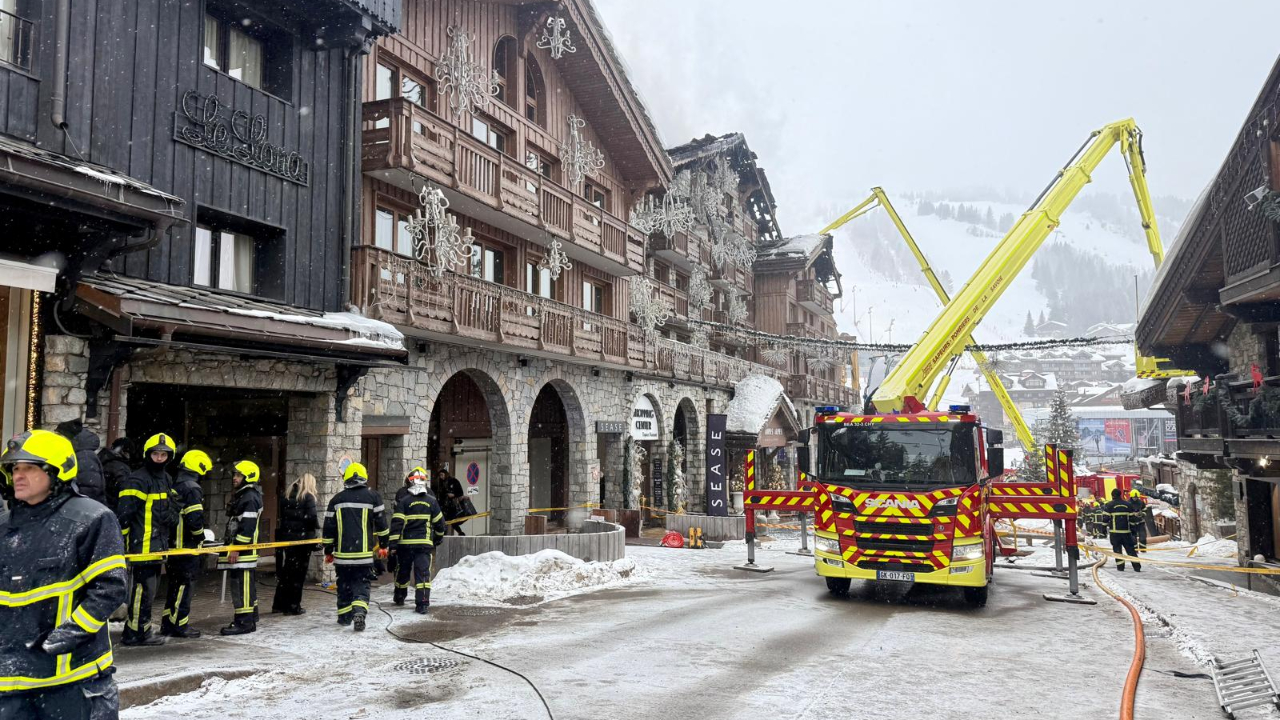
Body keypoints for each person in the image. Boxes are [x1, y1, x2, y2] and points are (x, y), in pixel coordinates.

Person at [0, 429, 128, 719]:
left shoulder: (91, 518)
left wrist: (65, 637)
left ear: (57, 471)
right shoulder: (4, 528)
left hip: (72, 682)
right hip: (10, 686)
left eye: (29, 468)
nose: (18, 475)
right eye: (14, 468)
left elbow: (110, 589)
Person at [117, 432, 177, 646]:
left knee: (149, 591)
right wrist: (123, 546)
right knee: (143, 590)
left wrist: (173, 515)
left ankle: (141, 629)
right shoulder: (138, 479)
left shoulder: (166, 479)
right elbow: (124, 515)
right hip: (141, 545)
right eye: (156, 454)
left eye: (163, 454)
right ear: (147, 454)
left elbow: (167, 509)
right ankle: (135, 633)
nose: (159, 458)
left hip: (157, 545)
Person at [323, 462, 390, 631]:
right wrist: (384, 545)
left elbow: (328, 529)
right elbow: (382, 524)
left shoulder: (336, 500)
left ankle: (344, 617)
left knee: (344, 585)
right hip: (364, 555)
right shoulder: (373, 497)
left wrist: (328, 551)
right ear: (364, 477)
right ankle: (359, 611)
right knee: (361, 584)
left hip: (342, 556)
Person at [161, 449, 212, 638]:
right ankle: (180, 625)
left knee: (174, 585)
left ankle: (168, 623)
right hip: (187, 546)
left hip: (174, 545)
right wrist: (201, 537)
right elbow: (194, 519)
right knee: (185, 586)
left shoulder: (177, 484)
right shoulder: (192, 488)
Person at [388, 473, 447, 614]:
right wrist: (438, 538)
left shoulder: (404, 501)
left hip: (405, 545)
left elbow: (396, 525)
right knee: (423, 575)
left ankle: (400, 596)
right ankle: (422, 604)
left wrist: (393, 546)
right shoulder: (431, 501)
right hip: (423, 545)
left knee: (403, 571)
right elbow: (440, 524)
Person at [218, 460, 264, 636]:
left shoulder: (249, 497)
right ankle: (251, 616)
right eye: (235, 474)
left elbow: (247, 527)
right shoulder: (245, 495)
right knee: (245, 586)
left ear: (248, 477)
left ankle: (244, 622)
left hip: (243, 552)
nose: (235, 478)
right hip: (243, 550)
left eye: (239, 475)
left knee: (241, 586)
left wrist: (237, 548)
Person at [272, 472, 319, 616]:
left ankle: (278, 604)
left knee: (287, 572)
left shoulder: (286, 496)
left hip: (288, 539)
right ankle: (293, 606)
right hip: (302, 541)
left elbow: (284, 517)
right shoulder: (308, 497)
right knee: (298, 575)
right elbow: (312, 518)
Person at [55, 419, 107, 506]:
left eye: (60, 436)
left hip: (85, 509)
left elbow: (90, 488)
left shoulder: (84, 456)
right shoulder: (75, 454)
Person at [1103, 488, 1141, 572]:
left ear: (1112, 495)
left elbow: (1105, 519)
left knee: (1117, 551)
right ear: (1120, 495)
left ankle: (1120, 567)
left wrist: (1104, 530)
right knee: (1130, 550)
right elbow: (1132, 520)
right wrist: (1133, 531)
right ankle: (1137, 567)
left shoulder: (1109, 505)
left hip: (1114, 533)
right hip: (1126, 533)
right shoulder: (1128, 505)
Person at [98, 438, 134, 514]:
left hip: (99, 506)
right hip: (112, 510)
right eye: (128, 453)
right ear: (123, 452)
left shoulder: (100, 459)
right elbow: (126, 493)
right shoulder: (121, 468)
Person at [438, 468, 467, 536]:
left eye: (442, 475)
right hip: (444, 506)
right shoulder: (441, 483)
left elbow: (460, 492)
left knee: (453, 521)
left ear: (445, 474)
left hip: (452, 506)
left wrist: (453, 495)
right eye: (440, 475)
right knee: (446, 521)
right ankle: (443, 535)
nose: (441, 477)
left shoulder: (453, 481)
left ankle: (460, 533)